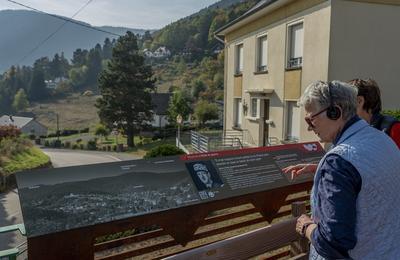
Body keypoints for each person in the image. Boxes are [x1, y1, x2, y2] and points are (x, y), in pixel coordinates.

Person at [283, 81, 400, 259]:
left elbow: (333, 244)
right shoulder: (383, 140)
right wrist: (321, 171)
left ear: (334, 112)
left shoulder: (337, 163)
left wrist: (306, 226)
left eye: (311, 119)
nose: (308, 127)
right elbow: (368, 179)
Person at [348, 78, 400, 148]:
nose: (343, 108)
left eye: (347, 102)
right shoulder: (350, 129)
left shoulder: (393, 128)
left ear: (359, 101)